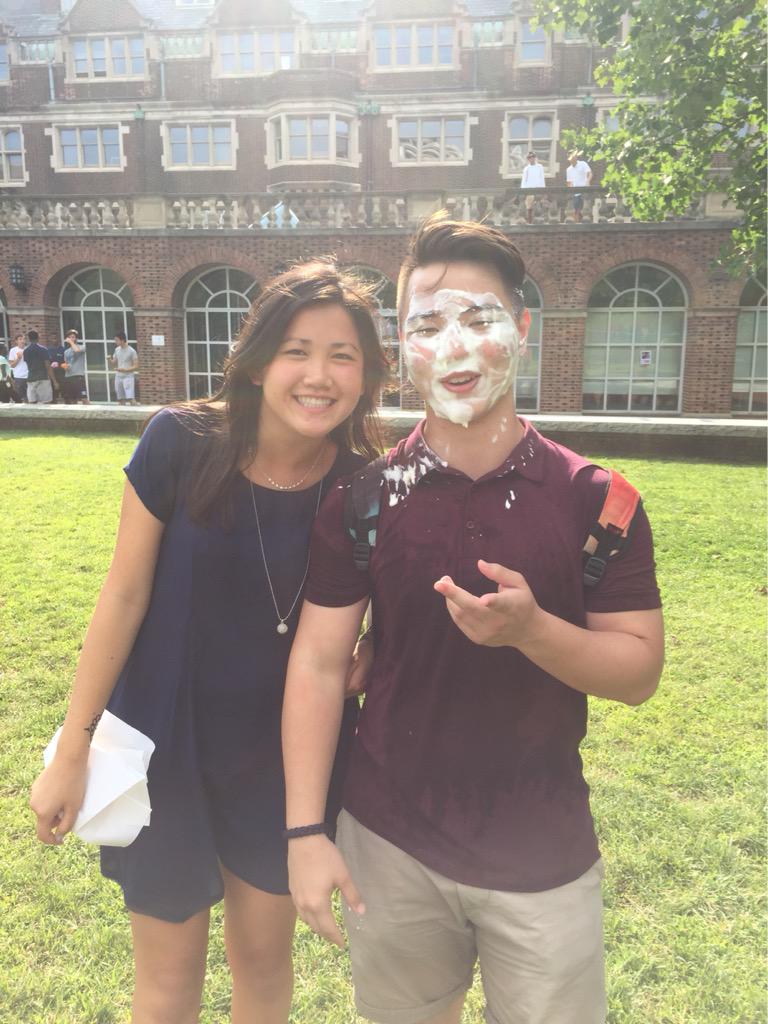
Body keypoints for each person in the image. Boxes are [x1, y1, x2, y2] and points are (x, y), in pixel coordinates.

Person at [283, 216, 664, 1024]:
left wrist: (534, 632)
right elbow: (318, 666)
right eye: (427, 324)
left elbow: (639, 672)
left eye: (479, 318)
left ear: (522, 330)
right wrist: (305, 833)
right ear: (403, 347)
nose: (455, 348)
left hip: (545, 853)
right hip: (390, 843)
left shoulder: (601, 500)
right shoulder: (363, 500)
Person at [30, 261, 388, 1024]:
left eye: (342, 355)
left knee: (263, 966)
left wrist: (380, 649)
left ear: (367, 375)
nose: (317, 375)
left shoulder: (366, 488)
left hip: (286, 759)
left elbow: (410, 606)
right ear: (257, 361)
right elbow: (122, 596)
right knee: (167, 983)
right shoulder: (180, 442)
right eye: (297, 349)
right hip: (166, 745)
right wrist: (72, 751)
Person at [24, 329, 58, 404]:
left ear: (29, 339)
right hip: (43, 378)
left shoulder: (25, 350)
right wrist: (54, 381)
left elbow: (28, 364)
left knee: (32, 402)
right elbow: (48, 367)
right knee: (45, 403)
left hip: (31, 378)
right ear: (38, 337)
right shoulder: (43, 350)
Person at [109, 331, 139, 405]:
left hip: (128, 377)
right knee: (120, 399)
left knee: (130, 398)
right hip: (118, 376)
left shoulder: (132, 351)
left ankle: (135, 411)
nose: (115, 341)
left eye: (117, 340)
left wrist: (125, 370)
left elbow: (136, 366)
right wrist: (109, 359)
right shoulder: (117, 350)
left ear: (122, 340)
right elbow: (114, 363)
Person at [62, 329, 89, 404]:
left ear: (76, 338)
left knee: (84, 399)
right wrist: (65, 367)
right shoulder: (66, 351)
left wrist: (71, 342)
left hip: (78, 377)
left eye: (73, 337)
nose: (71, 339)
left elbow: (76, 350)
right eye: (70, 337)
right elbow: (67, 363)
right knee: (71, 400)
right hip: (68, 377)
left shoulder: (82, 347)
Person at [566, 150, 593, 222]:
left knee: (586, 210)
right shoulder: (568, 170)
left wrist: (587, 182)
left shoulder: (583, 164)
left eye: (573, 157)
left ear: (576, 157)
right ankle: (576, 225)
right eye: (570, 158)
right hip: (575, 193)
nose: (571, 159)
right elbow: (569, 182)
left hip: (584, 191)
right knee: (575, 211)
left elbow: (590, 174)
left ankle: (586, 226)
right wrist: (570, 191)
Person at [520, 150, 546, 224]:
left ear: (535, 157)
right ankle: (530, 222)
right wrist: (523, 191)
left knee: (538, 207)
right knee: (529, 208)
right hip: (529, 191)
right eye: (529, 157)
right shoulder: (526, 169)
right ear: (528, 159)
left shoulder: (540, 167)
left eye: (533, 157)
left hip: (538, 190)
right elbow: (524, 181)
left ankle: (538, 222)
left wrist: (543, 190)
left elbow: (542, 179)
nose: (531, 158)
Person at [47, 336, 68, 403]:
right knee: (53, 395)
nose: (54, 340)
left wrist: (61, 365)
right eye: (53, 338)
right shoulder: (48, 350)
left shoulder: (63, 349)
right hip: (52, 375)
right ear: (50, 339)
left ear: (58, 340)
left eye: (55, 338)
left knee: (65, 393)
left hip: (62, 374)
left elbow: (67, 362)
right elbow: (46, 363)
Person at [9, 333, 28, 402]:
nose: (22, 341)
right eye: (20, 339)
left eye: (24, 339)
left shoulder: (28, 349)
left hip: (29, 376)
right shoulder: (13, 350)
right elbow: (12, 365)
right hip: (19, 376)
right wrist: (18, 358)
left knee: (30, 397)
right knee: (20, 397)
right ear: (16, 341)